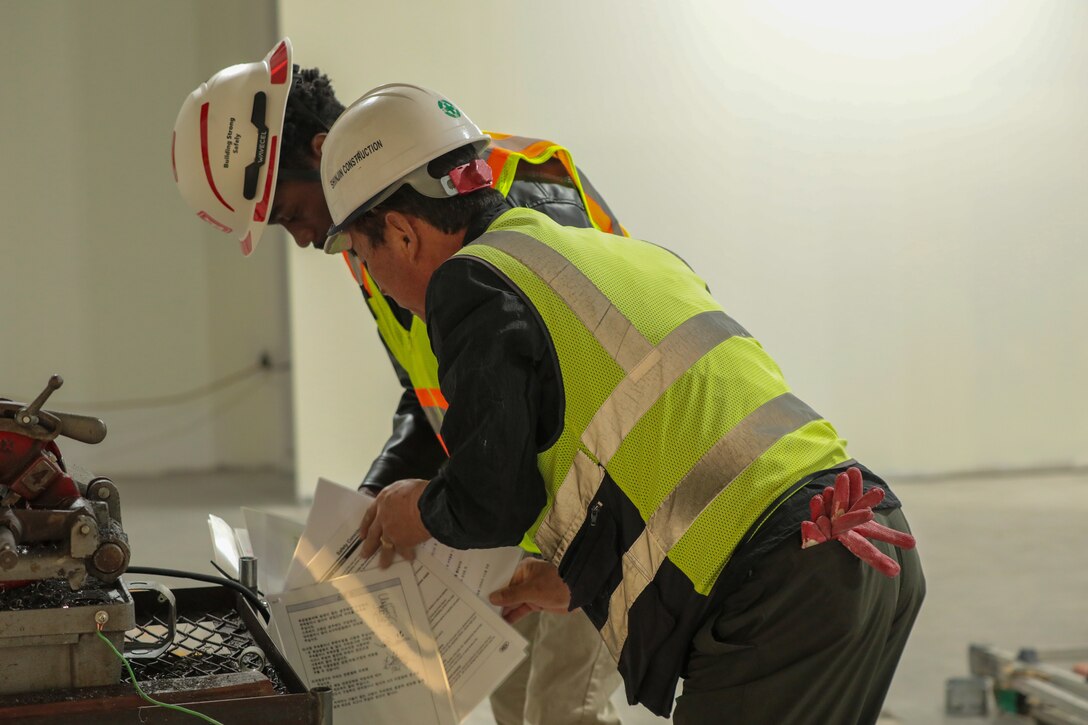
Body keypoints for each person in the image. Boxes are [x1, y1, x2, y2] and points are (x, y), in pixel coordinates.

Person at [322, 82, 927, 724]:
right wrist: (573, 578)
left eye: (363, 256)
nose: (376, 284)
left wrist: (412, 507)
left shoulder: (472, 281)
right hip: (864, 539)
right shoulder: (614, 253)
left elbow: (487, 500)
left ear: (401, 232)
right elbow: (670, 445)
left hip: (780, 582)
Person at [171, 38, 624, 725]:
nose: (299, 239)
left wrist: (446, 505)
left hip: (596, 497)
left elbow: (573, 375)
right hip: (516, 500)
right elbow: (434, 391)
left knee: (563, 710)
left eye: (290, 213)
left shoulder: (494, 187)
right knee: (511, 692)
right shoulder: (370, 244)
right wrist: (374, 495)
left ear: (322, 152)